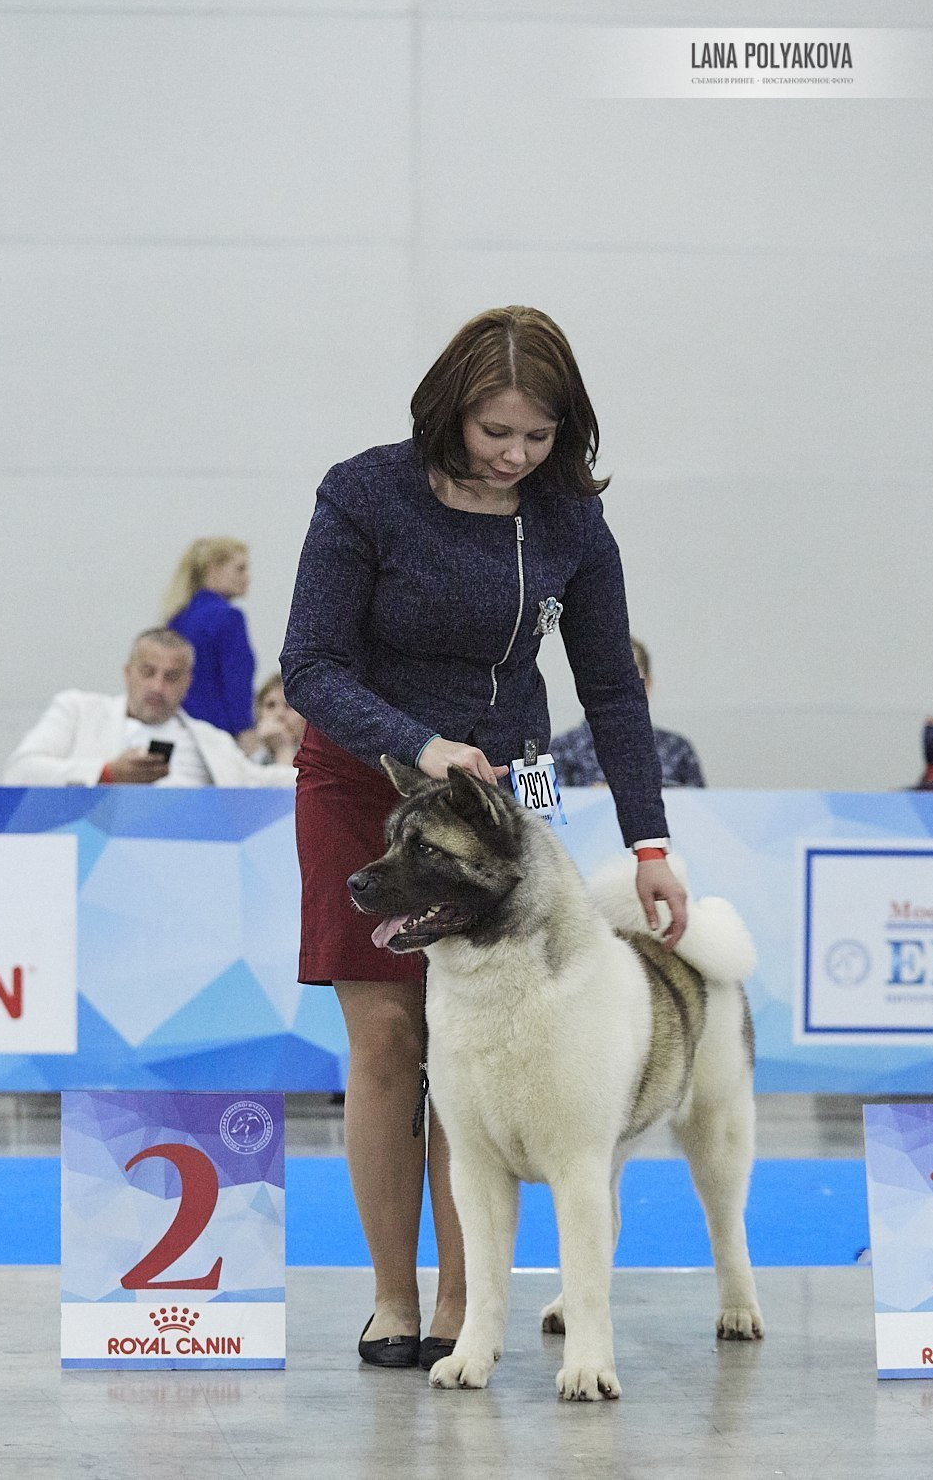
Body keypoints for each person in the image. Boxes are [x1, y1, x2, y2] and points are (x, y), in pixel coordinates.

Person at [280, 305, 688, 1370]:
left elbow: (610, 688)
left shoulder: (566, 522)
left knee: (481, 1054)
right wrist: (419, 742)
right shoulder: (363, 492)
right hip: (362, 779)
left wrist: (649, 841)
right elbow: (311, 665)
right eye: (493, 432)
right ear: (450, 409)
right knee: (387, 1043)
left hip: (499, 801)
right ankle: (392, 1297)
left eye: (538, 437)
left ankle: (471, 1301)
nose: (514, 456)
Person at [3, 629, 294, 788]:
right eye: (148, 672)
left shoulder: (210, 741)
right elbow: (20, 772)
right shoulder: (78, 712)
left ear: (188, 683)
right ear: (127, 672)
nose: (157, 686)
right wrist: (107, 774)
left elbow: (263, 784)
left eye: (171, 677)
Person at [550, 637, 706, 789]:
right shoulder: (563, 751)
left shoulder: (677, 749)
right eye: (607, 675)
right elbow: (550, 812)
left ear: (648, 684)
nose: (617, 686)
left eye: (630, 674)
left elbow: (699, 808)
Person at [163, 537, 256, 743]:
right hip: (218, 735)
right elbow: (236, 682)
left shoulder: (176, 618)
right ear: (213, 569)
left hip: (178, 730)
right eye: (240, 569)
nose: (247, 577)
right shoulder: (229, 618)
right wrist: (245, 732)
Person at [249, 672, 305, 766]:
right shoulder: (247, 760)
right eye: (271, 705)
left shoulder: (317, 760)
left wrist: (283, 748)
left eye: (288, 706)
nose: (279, 714)